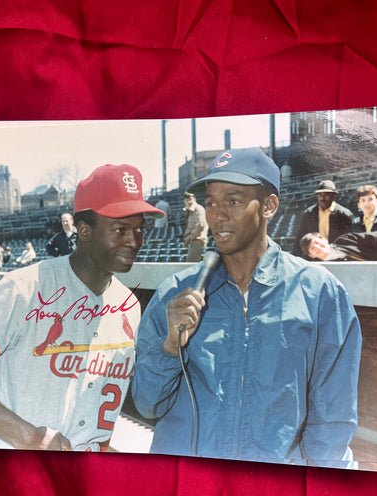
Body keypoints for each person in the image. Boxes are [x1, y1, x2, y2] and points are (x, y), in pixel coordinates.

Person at [132, 148, 362, 467]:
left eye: (233, 200)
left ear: (269, 206)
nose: (217, 215)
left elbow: (333, 420)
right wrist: (170, 347)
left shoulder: (321, 293)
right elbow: (147, 405)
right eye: (210, 201)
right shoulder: (174, 293)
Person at [0, 164, 165, 452]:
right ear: (84, 231)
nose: (135, 241)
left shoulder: (129, 306)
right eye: (120, 229)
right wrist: (26, 436)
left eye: (138, 229)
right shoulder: (25, 286)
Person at [292, 180, 354, 257]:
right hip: (314, 257)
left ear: (333, 196)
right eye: (320, 195)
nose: (322, 198)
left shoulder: (344, 215)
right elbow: (300, 237)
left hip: (335, 257)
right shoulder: (309, 213)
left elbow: (350, 240)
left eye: (326, 195)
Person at [299, 231, 377, 262]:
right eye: (312, 248)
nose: (318, 247)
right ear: (311, 255)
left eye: (317, 242)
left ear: (325, 239)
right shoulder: (326, 270)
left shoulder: (346, 239)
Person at [181, 191, 208, 261]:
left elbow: (200, 225)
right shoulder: (188, 211)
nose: (188, 202)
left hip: (198, 241)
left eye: (190, 199)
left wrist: (190, 237)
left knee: (190, 264)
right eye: (186, 200)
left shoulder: (198, 209)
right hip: (192, 241)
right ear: (184, 201)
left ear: (194, 199)